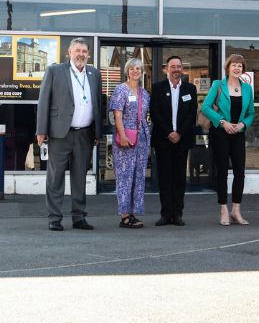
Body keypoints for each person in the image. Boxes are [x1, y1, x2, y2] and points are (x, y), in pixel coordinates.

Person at [35, 37, 104, 232]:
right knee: (55, 178)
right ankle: (55, 218)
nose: (81, 54)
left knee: (79, 178)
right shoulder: (55, 71)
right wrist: (42, 130)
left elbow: (97, 104)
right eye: (77, 51)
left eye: (84, 51)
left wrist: (97, 131)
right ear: (69, 53)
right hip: (59, 134)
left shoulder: (94, 74)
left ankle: (79, 217)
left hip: (84, 134)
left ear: (88, 54)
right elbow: (43, 102)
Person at [201, 54, 255, 226]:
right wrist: (222, 122)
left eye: (240, 66)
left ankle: (236, 210)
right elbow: (206, 107)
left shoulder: (247, 88)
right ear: (228, 67)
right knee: (222, 172)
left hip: (238, 134)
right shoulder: (218, 85)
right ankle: (223, 209)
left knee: (240, 172)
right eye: (234, 65)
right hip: (221, 133)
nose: (237, 68)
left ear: (243, 69)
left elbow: (251, 113)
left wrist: (242, 125)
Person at [149, 55, 197, 226]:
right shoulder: (158, 88)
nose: (176, 69)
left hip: (182, 140)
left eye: (179, 66)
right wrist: (169, 132)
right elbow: (155, 113)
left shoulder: (190, 89)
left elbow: (192, 115)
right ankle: (165, 213)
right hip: (163, 140)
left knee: (179, 178)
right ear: (166, 69)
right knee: (164, 178)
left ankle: (177, 214)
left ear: (182, 69)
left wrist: (179, 133)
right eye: (173, 66)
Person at [109, 57, 151, 229]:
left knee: (138, 176)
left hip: (141, 138)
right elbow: (117, 115)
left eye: (138, 69)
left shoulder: (144, 93)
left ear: (142, 73)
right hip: (125, 137)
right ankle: (125, 215)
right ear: (127, 71)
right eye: (132, 68)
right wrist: (123, 135)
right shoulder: (120, 90)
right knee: (125, 176)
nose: (135, 71)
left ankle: (133, 211)